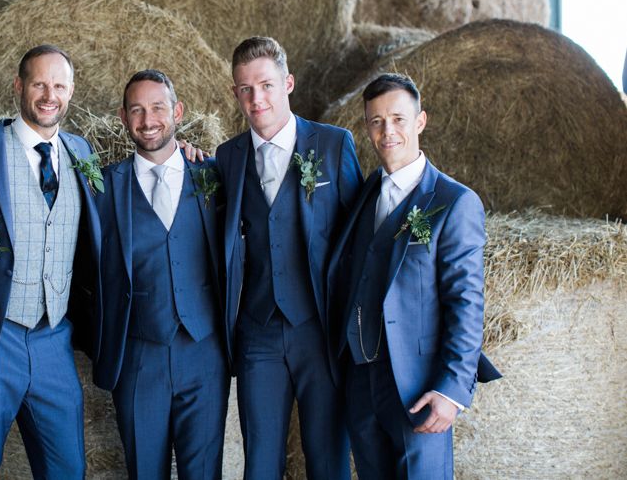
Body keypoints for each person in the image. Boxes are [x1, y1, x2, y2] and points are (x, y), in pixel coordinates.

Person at [330, 73, 500, 480]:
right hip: (360, 379)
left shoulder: (454, 202)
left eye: (398, 119)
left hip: (419, 386)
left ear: (420, 121)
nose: (388, 131)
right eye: (376, 121)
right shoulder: (364, 193)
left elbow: (466, 302)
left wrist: (451, 391)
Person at [215, 36, 363, 479]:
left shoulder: (335, 146)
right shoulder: (226, 157)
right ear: (235, 93)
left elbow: (357, 241)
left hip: (320, 329)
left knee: (327, 458)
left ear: (288, 83)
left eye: (265, 85)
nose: (256, 98)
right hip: (258, 333)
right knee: (260, 461)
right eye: (245, 89)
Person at [0, 45, 102, 479]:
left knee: (68, 469)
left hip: (54, 339)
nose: (48, 94)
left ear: (71, 92)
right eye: (38, 83)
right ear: (19, 86)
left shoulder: (82, 152)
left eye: (58, 85)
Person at [93, 70, 229, 479]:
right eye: (137, 109)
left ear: (178, 111)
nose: (148, 119)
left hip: (205, 352)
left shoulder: (213, 176)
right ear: (122, 117)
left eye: (157, 107)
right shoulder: (103, 186)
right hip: (138, 355)